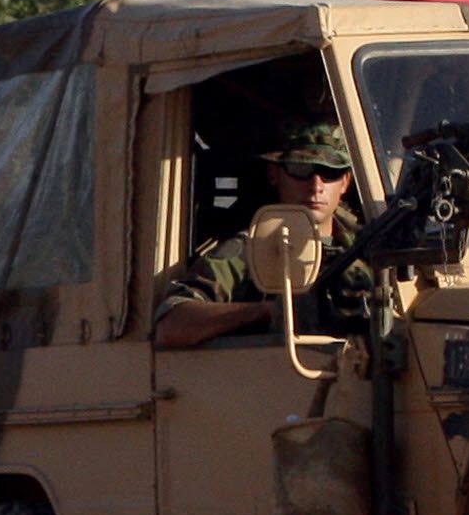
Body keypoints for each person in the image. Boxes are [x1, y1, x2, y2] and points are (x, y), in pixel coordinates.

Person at [156, 118, 366, 348]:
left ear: (345, 182)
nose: (316, 186)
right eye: (301, 169)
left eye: (330, 172)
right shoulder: (251, 249)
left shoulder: (369, 248)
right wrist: (269, 311)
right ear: (275, 174)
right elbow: (172, 325)